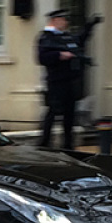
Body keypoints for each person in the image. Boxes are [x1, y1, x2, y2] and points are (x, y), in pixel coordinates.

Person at [37, 9, 98, 150]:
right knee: (53, 111)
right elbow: (42, 57)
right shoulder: (46, 38)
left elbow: (80, 40)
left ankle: (68, 144)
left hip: (70, 80)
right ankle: (45, 142)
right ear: (54, 20)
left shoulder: (67, 37)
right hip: (56, 81)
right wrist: (59, 55)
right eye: (62, 20)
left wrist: (90, 26)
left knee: (70, 114)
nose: (65, 22)